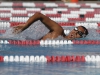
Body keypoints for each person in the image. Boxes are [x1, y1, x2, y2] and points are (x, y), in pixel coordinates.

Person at [12, 12, 88, 40]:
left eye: (80, 33)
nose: (75, 33)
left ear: (82, 38)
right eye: (75, 29)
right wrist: (25, 26)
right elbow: (39, 15)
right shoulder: (58, 31)